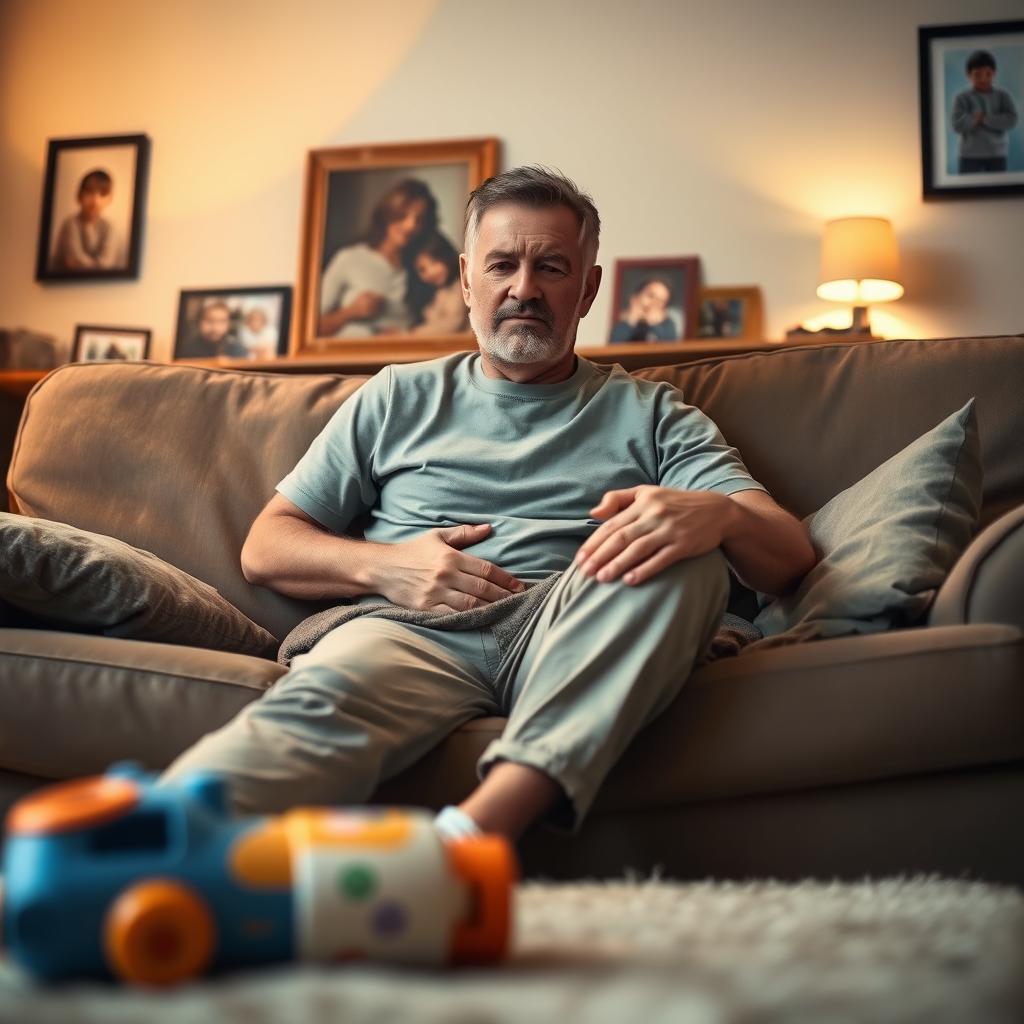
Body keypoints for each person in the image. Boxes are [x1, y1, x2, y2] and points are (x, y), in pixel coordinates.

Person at [162, 166, 816, 845]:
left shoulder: (652, 414)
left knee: (690, 560)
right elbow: (266, 546)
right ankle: (151, 842)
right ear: (466, 279)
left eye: (552, 268)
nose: (524, 289)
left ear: (587, 288)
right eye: (502, 265)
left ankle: (469, 841)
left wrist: (724, 516)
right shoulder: (396, 397)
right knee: (311, 709)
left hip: (578, 626)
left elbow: (789, 554)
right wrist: (387, 567)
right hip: (411, 630)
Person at [318, 178, 439, 339]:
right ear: (387, 214)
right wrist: (351, 312)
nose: (410, 225)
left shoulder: (426, 269)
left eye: (419, 219)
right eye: (402, 215)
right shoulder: (348, 258)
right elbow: (310, 330)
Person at [951, 49, 1019, 174]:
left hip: (997, 154)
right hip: (969, 156)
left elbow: (1012, 120)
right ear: (968, 75)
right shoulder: (962, 98)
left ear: (994, 73)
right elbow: (957, 125)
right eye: (977, 75)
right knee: (968, 192)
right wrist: (973, 119)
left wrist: (984, 119)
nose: (983, 79)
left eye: (988, 74)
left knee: (998, 192)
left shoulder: (1003, 96)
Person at [50, 168, 123, 271]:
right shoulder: (70, 223)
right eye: (89, 192)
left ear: (110, 198)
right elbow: (73, 261)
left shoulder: (110, 227)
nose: (95, 200)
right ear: (79, 195)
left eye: (102, 194)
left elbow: (107, 263)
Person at [408, 231, 470, 335]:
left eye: (434, 262)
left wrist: (412, 334)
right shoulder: (441, 290)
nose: (430, 272)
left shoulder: (459, 287)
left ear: (446, 256)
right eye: (422, 269)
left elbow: (452, 324)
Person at [610, 278, 679, 342]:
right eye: (651, 296)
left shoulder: (668, 326)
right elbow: (614, 347)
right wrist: (631, 322)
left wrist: (654, 324)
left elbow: (668, 349)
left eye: (660, 301)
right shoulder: (623, 325)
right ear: (636, 296)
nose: (654, 303)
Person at [177, 300, 249, 359]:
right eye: (209, 320)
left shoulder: (237, 349)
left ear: (228, 324)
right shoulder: (187, 348)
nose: (215, 327)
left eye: (222, 321)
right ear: (198, 322)